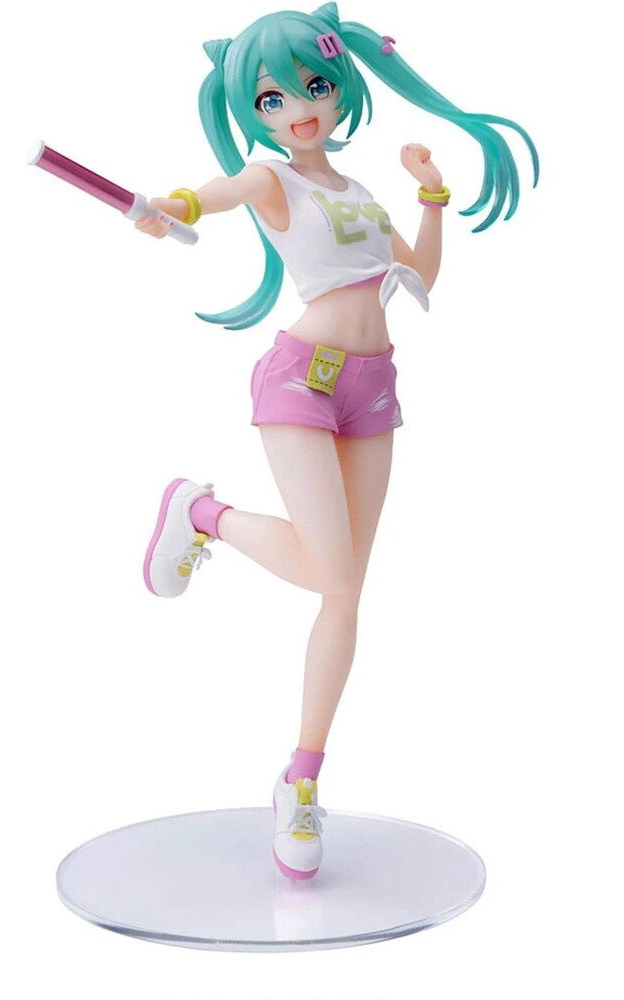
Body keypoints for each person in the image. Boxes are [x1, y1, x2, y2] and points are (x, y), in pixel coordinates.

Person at [136, 3, 537, 880]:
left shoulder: (357, 193)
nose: (297, 109)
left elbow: (419, 275)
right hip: (300, 380)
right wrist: (172, 206)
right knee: (331, 570)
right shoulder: (271, 177)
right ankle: (201, 513)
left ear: (342, 88)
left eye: (312, 87)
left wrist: (432, 195)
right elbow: (215, 194)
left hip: (373, 388)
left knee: (345, 592)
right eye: (271, 98)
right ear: (254, 113)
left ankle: (302, 778)